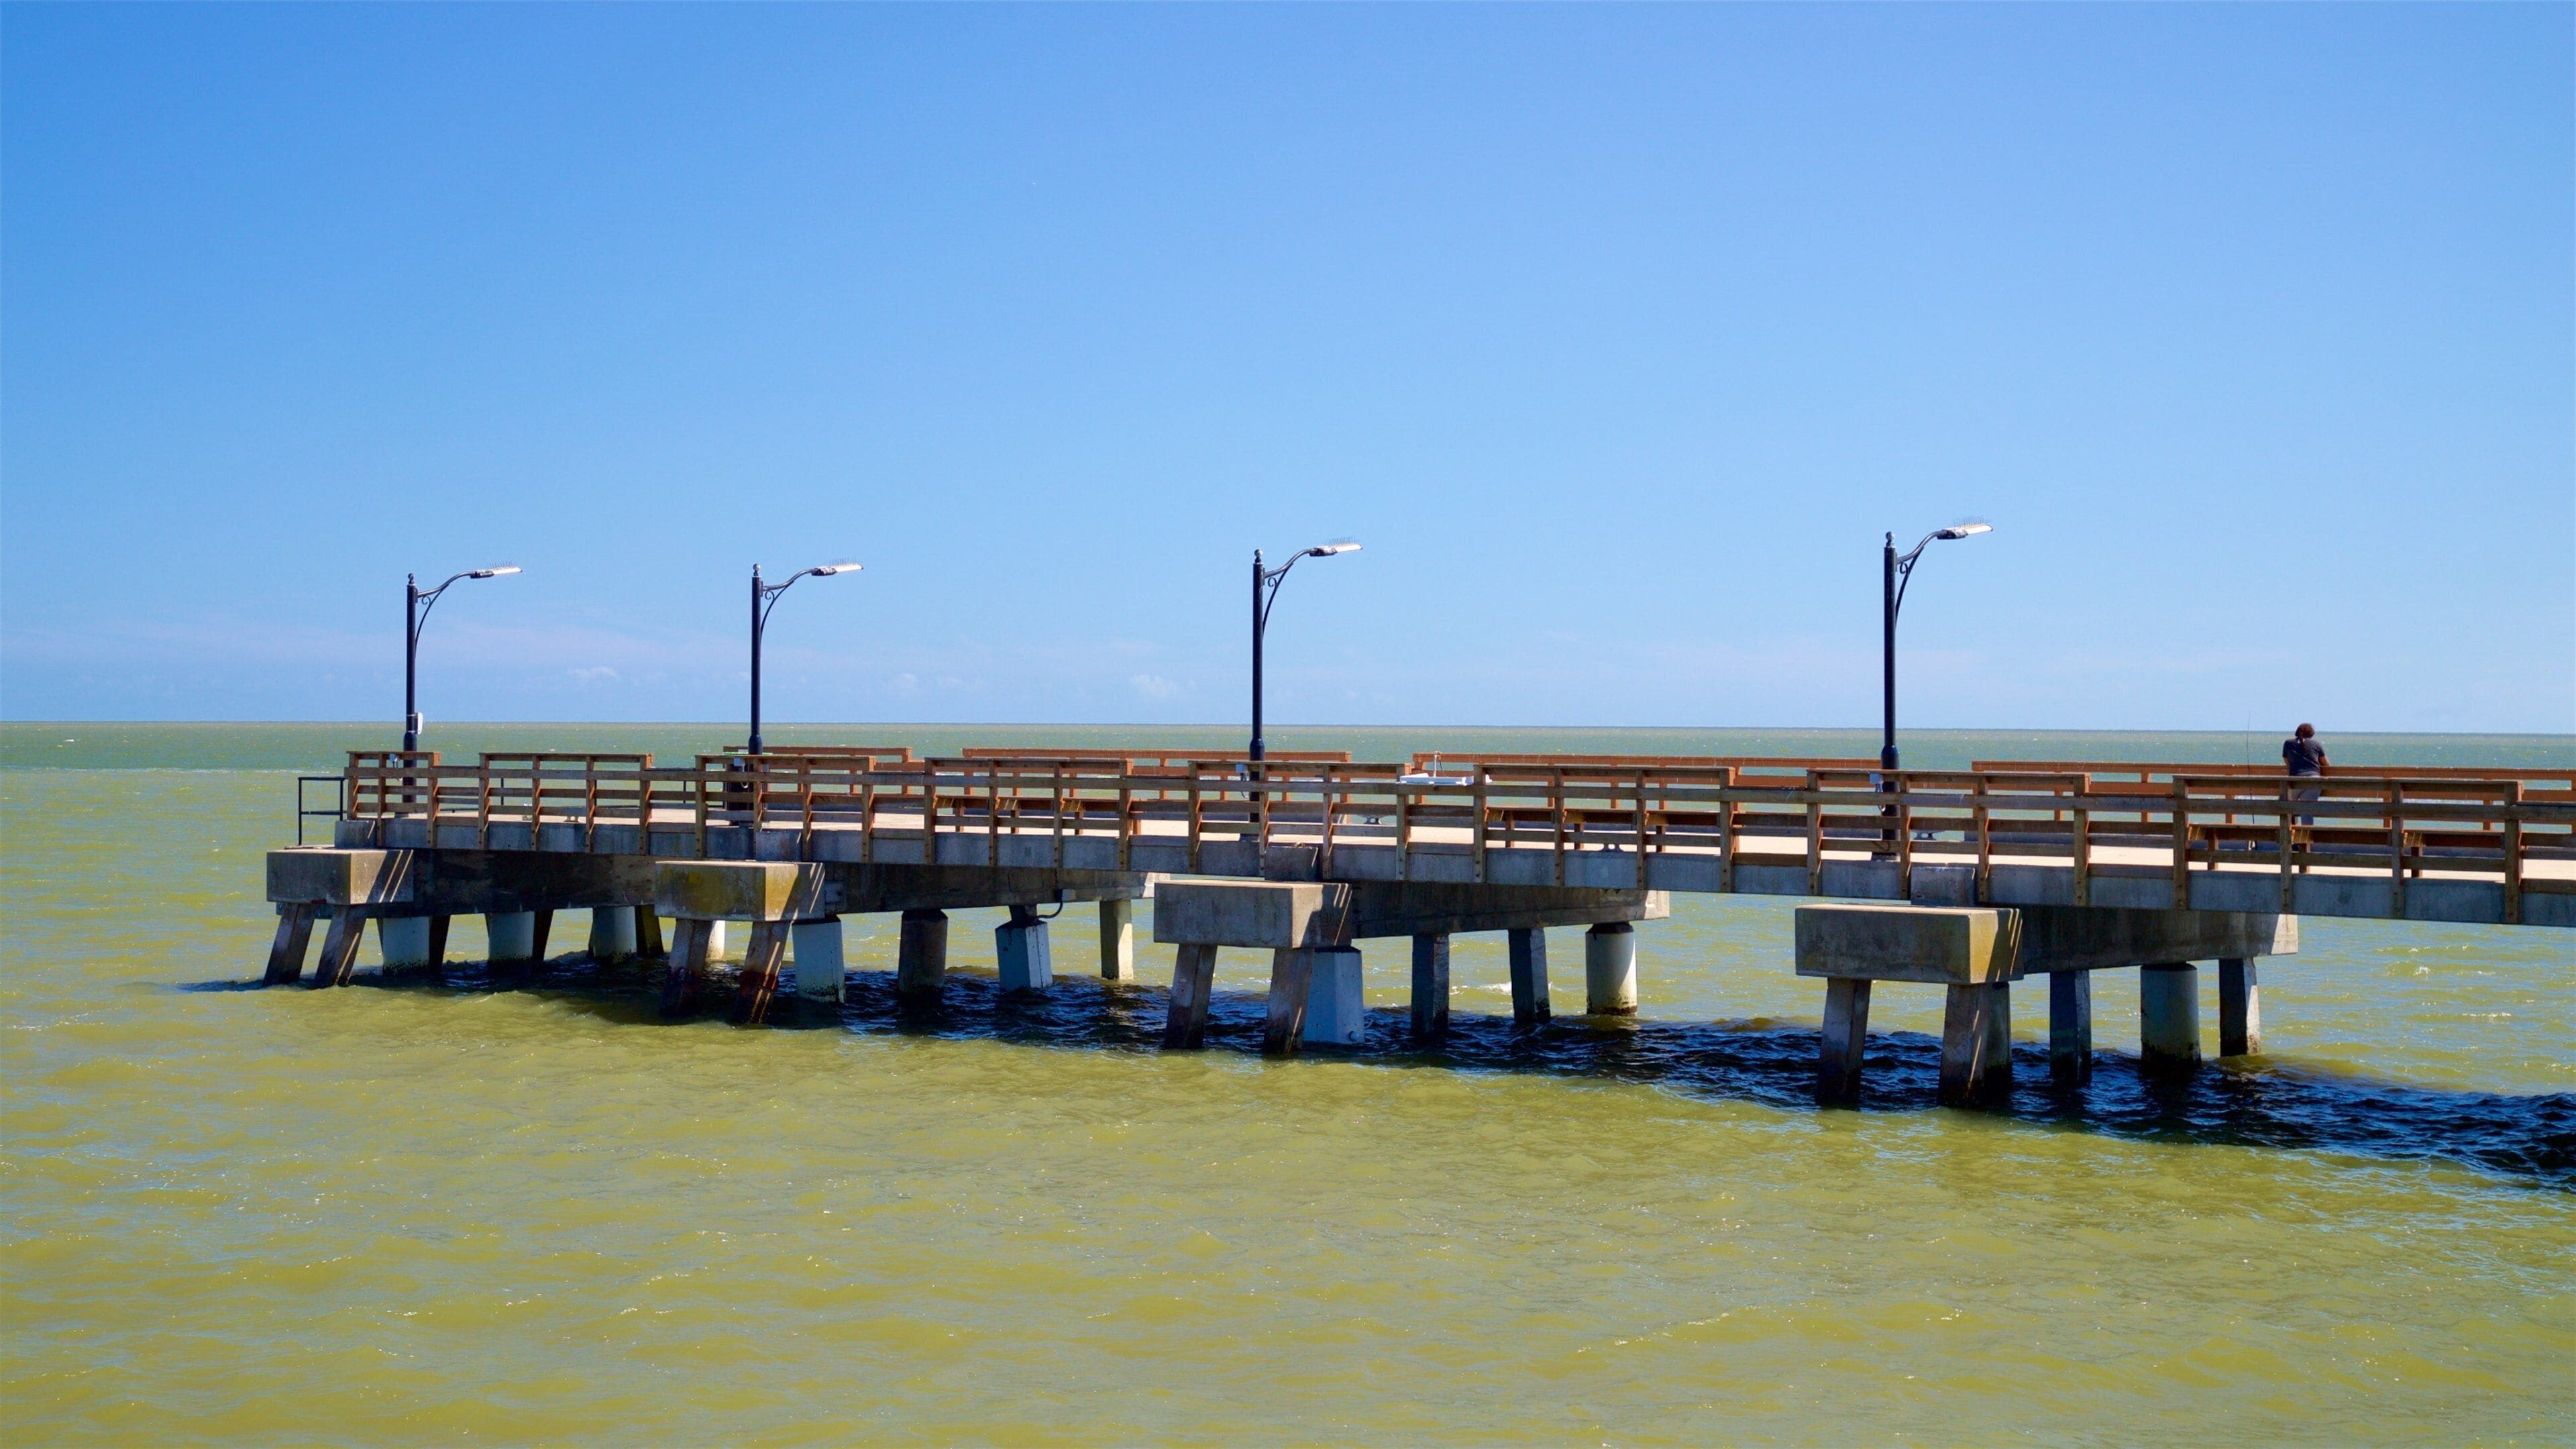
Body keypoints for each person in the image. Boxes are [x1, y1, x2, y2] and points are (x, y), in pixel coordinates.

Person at [2284, 722, 2327, 826]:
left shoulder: (2288, 743)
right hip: (2314, 781)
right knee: (2307, 810)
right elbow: (2326, 764)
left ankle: (2291, 835)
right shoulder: (2317, 744)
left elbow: (2287, 762)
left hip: (2295, 781)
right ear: (2311, 734)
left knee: (2289, 807)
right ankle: (2306, 837)